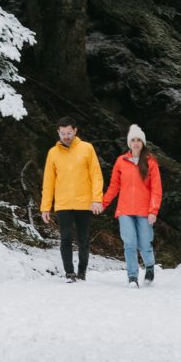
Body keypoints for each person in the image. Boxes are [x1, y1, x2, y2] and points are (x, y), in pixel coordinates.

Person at [98, 124, 163, 287]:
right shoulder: (121, 161)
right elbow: (114, 186)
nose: (135, 143)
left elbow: (156, 189)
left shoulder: (151, 162)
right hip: (125, 209)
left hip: (144, 210)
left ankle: (149, 266)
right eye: (133, 140)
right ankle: (132, 277)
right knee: (129, 243)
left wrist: (153, 210)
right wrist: (103, 203)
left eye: (138, 140)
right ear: (129, 143)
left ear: (143, 143)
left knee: (145, 243)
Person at [39, 118, 103, 282]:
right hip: (63, 203)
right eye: (62, 133)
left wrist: (97, 199)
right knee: (66, 238)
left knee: (83, 239)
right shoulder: (53, 152)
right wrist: (45, 207)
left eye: (68, 133)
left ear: (75, 130)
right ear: (58, 133)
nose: (66, 136)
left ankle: (82, 271)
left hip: (84, 202)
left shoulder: (87, 148)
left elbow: (96, 175)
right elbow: (48, 181)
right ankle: (69, 272)